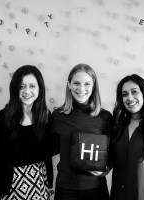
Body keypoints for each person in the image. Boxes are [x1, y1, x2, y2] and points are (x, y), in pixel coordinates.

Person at [0, 65, 53, 200]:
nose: (27, 91)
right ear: (14, 89)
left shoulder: (46, 116)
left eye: (32, 86)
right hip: (11, 186)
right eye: (21, 86)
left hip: (39, 184)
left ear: (40, 89)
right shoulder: (3, 118)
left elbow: (51, 149)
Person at [50, 63, 112, 200]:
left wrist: (105, 169)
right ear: (69, 85)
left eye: (87, 84)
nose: (81, 89)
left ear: (94, 85)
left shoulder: (105, 117)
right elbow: (50, 149)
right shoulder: (57, 116)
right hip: (65, 189)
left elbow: (112, 153)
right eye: (76, 83)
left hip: (95, 189)